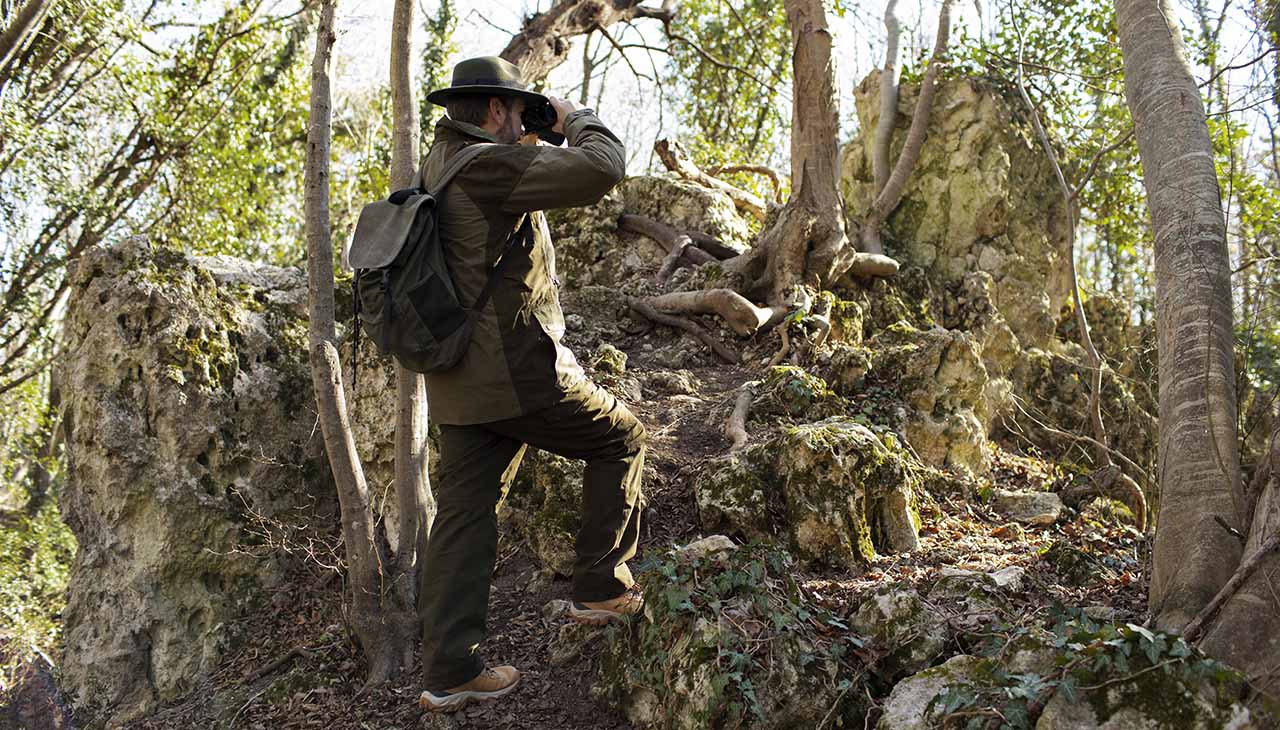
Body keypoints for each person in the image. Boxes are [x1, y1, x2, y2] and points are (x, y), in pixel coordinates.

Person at [414, 56, 646, 713]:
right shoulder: (488, 168)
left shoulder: (440, 163)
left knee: (463, 518)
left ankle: (449, 672)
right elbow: (601, 170)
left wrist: (531, 137)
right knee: (621, 438)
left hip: (458, 380)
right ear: (493, 111)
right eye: (516, 108)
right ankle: (601, 586)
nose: (524, 119)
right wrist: (577, 121)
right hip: (513, 372)